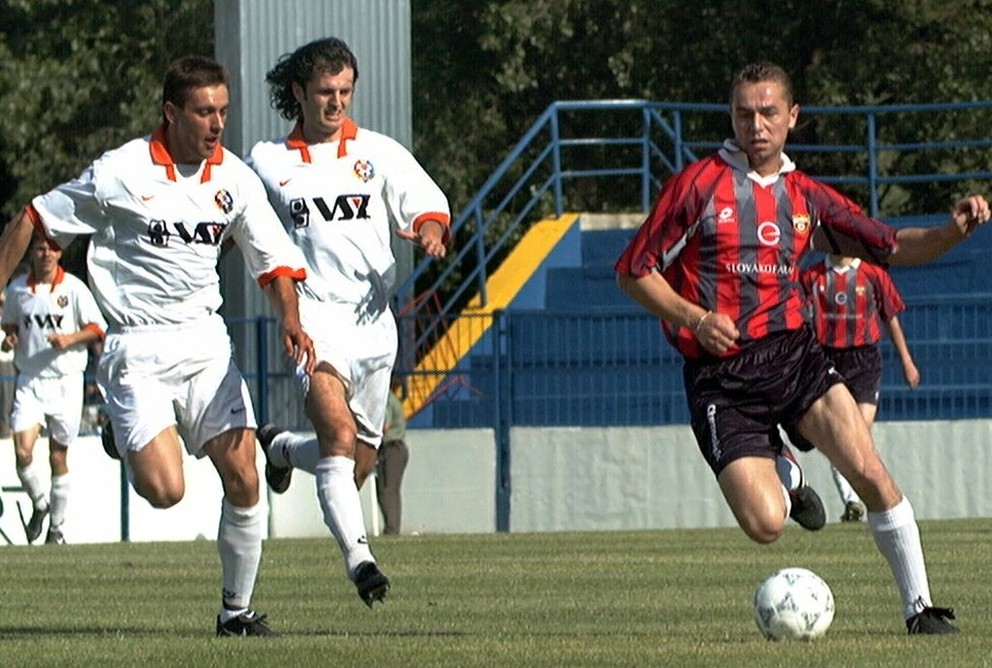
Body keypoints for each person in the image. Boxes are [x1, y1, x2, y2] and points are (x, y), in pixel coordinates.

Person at [614, 61, 989, 635]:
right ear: (731, 117)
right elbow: (633, 271)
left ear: (792, 117)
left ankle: (921, 609)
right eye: (744, 113)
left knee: (870, 471)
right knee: (765, 524)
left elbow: (890, 245)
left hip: (794, 358)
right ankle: (787, 476)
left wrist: (950, 231)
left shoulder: (806, 196)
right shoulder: (695, 187)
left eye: (768, 113)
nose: (755, 125)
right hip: (720, 378)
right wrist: (694, 316)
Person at [0, 56, 315, 637]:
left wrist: (291, 320)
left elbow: (273, 263)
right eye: (203, 112)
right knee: (167, 492)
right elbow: (34, 216)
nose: (217, 123)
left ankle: (236, 614)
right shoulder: (121, 172)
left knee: (243, 476)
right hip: (136, 347)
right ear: (171, 113)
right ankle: (129, 437)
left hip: (204, 343)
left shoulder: (235, 179)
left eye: (223, 110)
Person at [247, 36, 450, 607]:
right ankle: (362, 561)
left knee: (356, 461)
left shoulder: (379, 152)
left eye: (344, 92)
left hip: (373, 324)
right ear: (299, 93)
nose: (336, 104)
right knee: (336, 436)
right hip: (313, 317)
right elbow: (233, 210)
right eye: (324, 93)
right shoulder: (268, 160)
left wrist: (431, 230)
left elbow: (427, 203)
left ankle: (282, 448)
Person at [795, 254, 920, 522]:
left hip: (864, 361)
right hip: (827, 359)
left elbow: (891, 318)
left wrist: (907, 361)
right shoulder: (812, 275)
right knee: (842, 435)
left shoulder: (873, 274)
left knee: (858, 435)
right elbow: (799, 319)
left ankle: (867, 499)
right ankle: (853, 501)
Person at [1, 234, 106, 544]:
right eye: (40, 248)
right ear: (32, 252)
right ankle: (40, 503)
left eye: (51, 248)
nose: (45, 253)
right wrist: (10, 338)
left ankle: (56, 530)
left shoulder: (73, 289)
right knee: (22, 450)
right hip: (30, 379)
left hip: (66, 381)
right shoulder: (19, 289)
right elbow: (11, 325)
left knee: (58, 456)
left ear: (59, 254)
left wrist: (69, 340)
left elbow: (97, 328)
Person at [377, 378, 410, 535]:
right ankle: (393, 527)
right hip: (398, 448)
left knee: (386, 490)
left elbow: (384, 426)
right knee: (392, 490)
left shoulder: (385, 400)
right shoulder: (392, 397)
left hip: (391, 448)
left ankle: (391, 529)